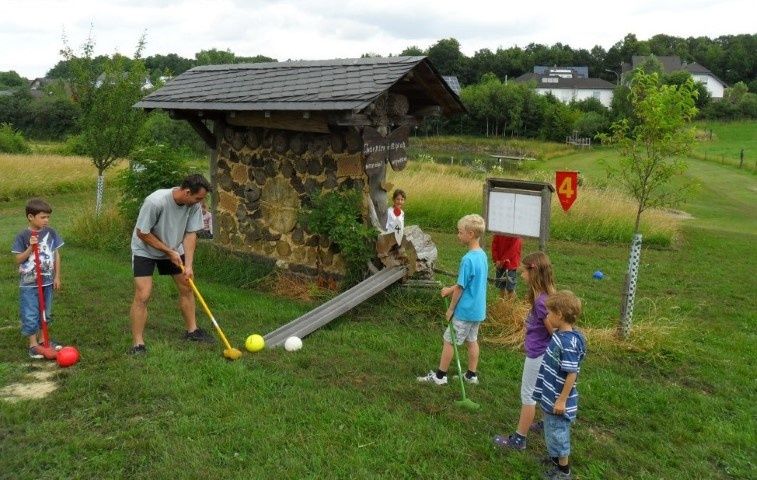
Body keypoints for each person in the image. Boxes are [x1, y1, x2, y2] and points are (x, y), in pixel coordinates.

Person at [129, 174, 214, 355]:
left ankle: (192, 331)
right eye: (198, 198)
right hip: (145, 249)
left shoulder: (193, 205)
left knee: (187, 286)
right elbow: (142, 232)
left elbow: (191, 234)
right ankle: (138, 344)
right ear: (187, 192)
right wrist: (168, 251)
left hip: (174, 248)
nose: (200, 202)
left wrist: (188, 265)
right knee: (143, 294)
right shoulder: (156, 202)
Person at [493, 250, 556, 450]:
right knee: (546, 391)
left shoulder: (541, 302)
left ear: (533, 272)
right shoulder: (543, 296)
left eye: (524, 272)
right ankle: (547, 423)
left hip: (539, 355)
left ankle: (519, 439)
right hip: (542, 353)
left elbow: (554, 331)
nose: (521, 275)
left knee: (528, 395)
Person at [417, 214, 488, 386]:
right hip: (477, 310)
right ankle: (472, 375)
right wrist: (450, 289)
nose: (458, 235)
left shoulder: (467, 259)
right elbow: (468, 283)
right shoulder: (482, 255)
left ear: (470, 234)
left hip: (464, 311)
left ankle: (440, 377)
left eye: (460, 232)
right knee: (472, 341)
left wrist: (451, 309)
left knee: (449, 341)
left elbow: (462, 288)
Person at [533, 290, 587, 480]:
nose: (546, 315)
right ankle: (555, 460)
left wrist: (562, 400)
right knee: (551, 430)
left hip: (559, 400)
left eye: (549, 313)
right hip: (551, 395)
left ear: (560, 315)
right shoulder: (559, 335)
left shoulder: (569, 343)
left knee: (558, 433)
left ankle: (563, 471)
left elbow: (572, 373)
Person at [11, 199, 64, 358]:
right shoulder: (23, 235)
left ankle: (43, 340)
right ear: (30, 217)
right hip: (29, 284)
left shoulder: (51, 233)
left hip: (47, 281)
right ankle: (33, 345)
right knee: (31, 313)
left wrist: (57, 276)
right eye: (43, 217)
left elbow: (56, 255)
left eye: (48, 217)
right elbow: (18, 259)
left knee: (45, 313)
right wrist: (30, 248)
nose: (46, 220)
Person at [491, 234, 522, 299]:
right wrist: (496, 259)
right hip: (499, 263)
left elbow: (513, 249)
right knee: (501, 286)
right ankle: (502, 305)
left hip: (511, 264)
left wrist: (502, 261)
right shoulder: (499, 231)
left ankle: (510, 306)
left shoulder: (516, 232)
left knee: (511, 288)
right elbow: (494, 245)